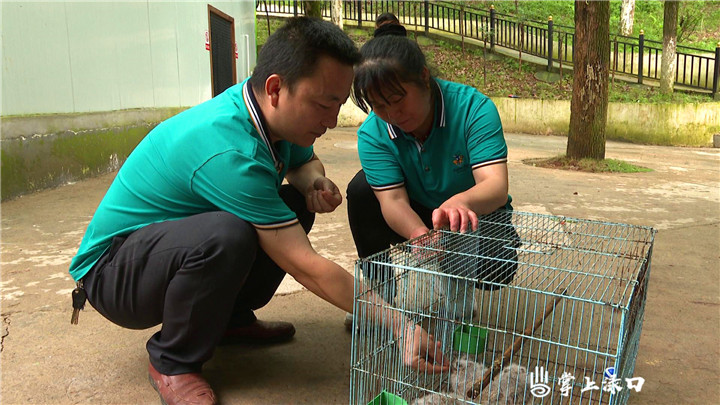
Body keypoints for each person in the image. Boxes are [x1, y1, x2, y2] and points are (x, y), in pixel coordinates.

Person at [68, 17, 447, 405]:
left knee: (291, 205)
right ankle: (172, 361)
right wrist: (400, 323)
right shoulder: (231, 151)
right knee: (226, 235)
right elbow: (305, 265)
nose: (332, 122)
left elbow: (304, 162)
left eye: (338, 105)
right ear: (275, 88)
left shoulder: (266, 115)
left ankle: (228, 321)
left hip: (162, 252)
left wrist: (312, 183)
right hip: (114, 274)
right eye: (323, 105)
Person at [345, 32, 520, 327]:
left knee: (496, 269)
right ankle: (379, 292)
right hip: (418, 209)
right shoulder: (373, 133)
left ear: (423, 77)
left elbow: (495, 186)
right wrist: (419, 235)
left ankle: (458, 288)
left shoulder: (473, 109)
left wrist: (460, 203)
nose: (392, 114)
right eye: (379, 105)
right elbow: (392, 200)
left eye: (397, 99)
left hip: (475, 211)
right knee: (362, 190)